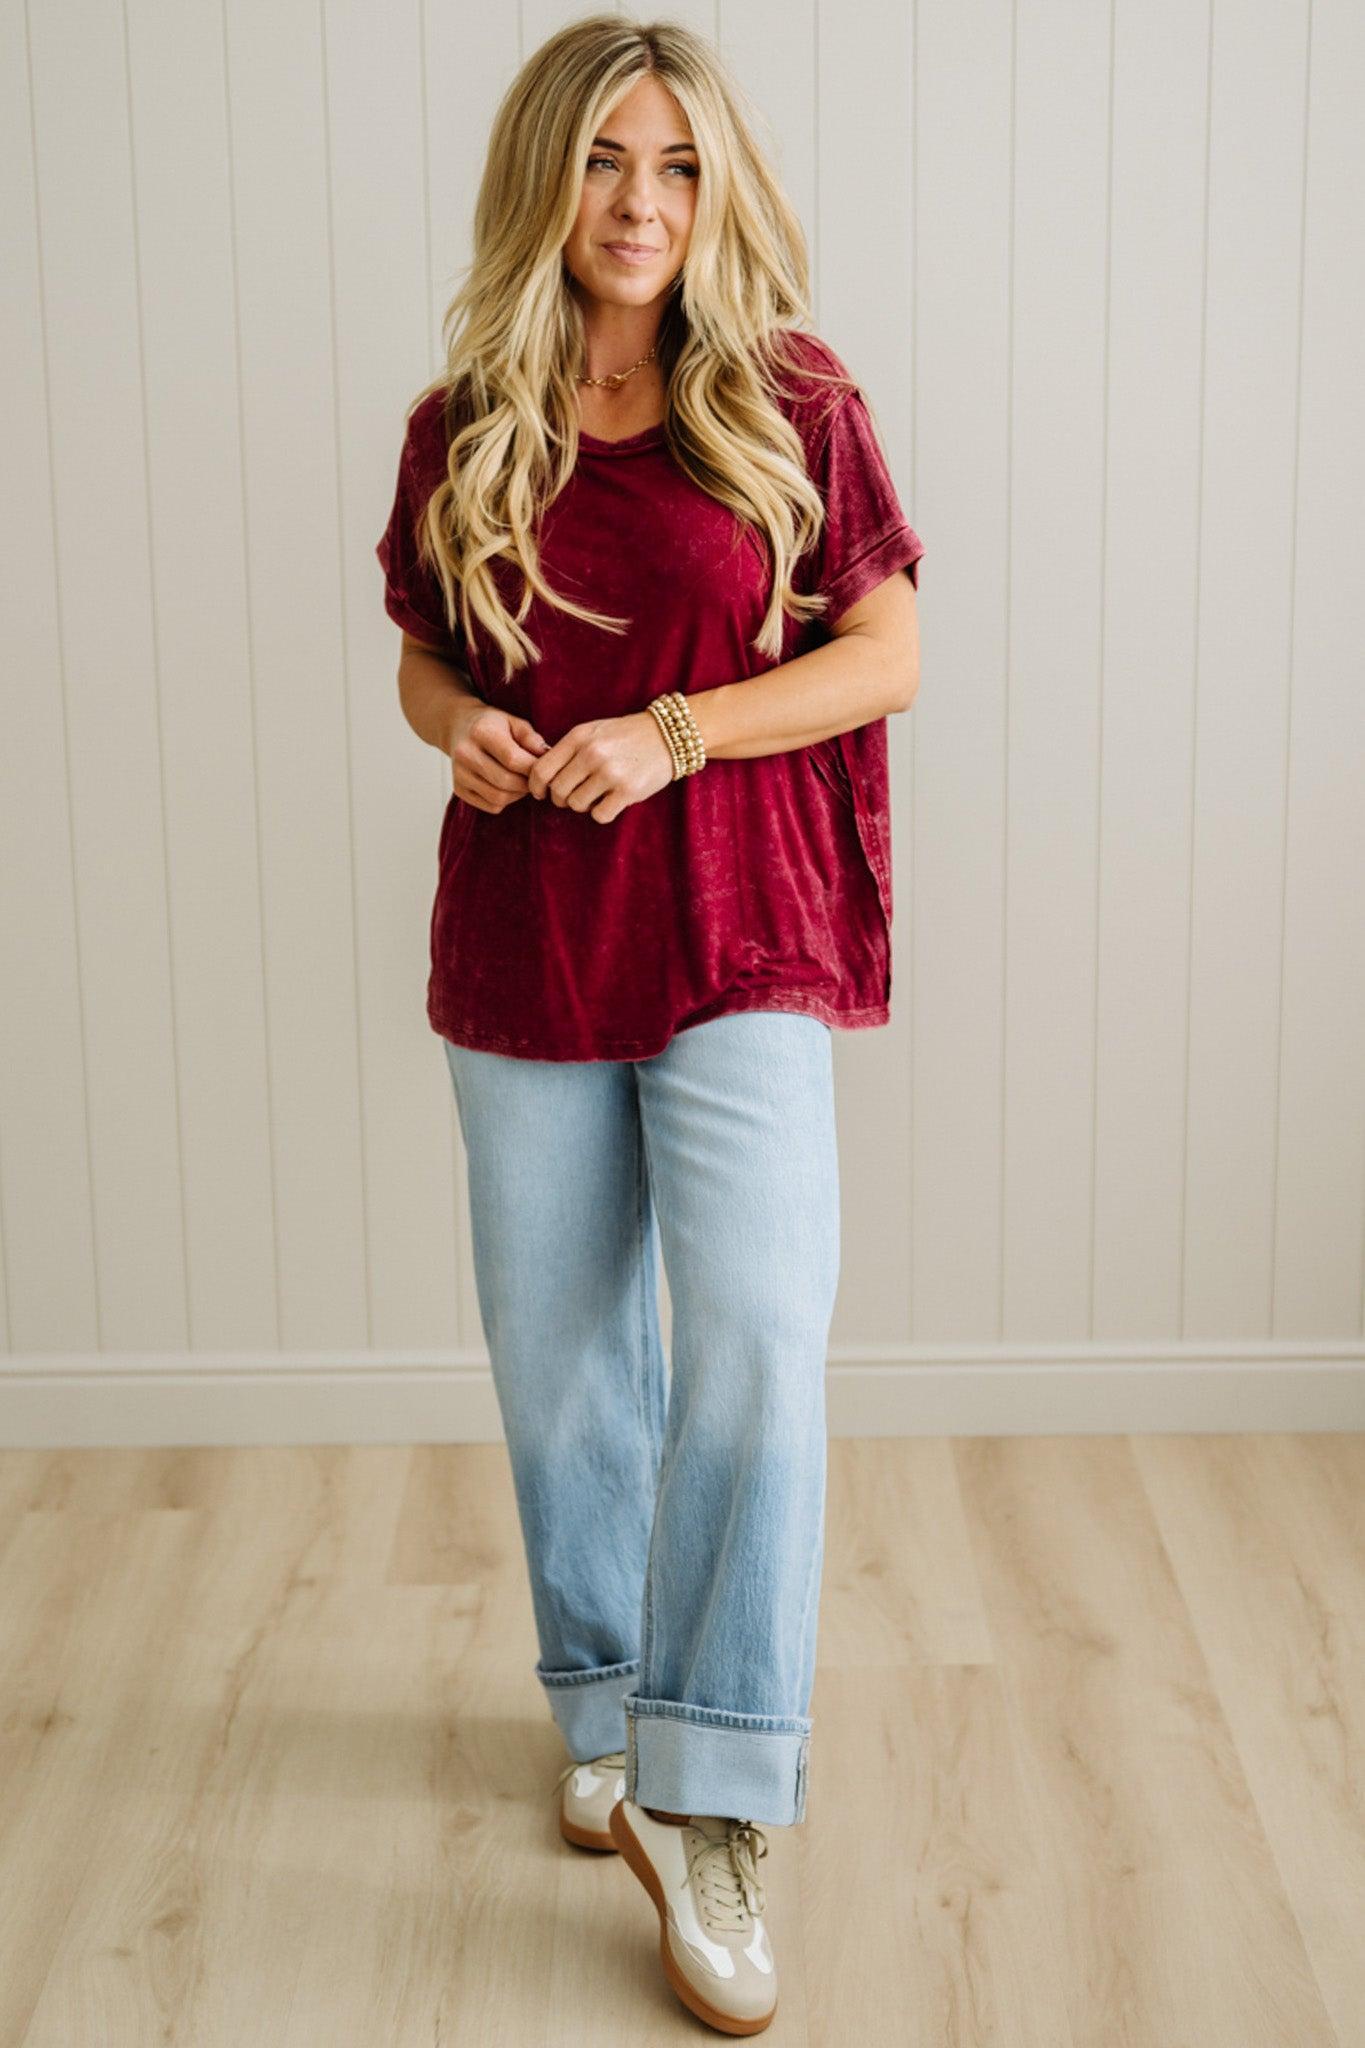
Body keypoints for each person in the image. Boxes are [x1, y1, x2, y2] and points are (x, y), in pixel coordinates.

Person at [375, 16, 923, 2036]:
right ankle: (598, 1714)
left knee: (762, 1330)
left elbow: (888, 651)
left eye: (677, 167)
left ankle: (710, 1791)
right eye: (606, 164)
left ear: (717, 190)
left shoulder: (786, 399)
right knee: (563, 1364)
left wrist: (675, 728)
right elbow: (425, 669)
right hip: (526, 938)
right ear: (547, 179)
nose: (640, 206)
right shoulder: (465, 421)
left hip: (738, 929)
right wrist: (471, 734)